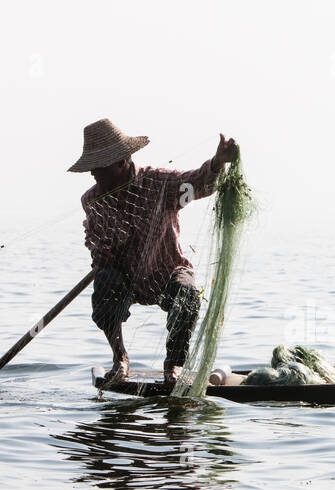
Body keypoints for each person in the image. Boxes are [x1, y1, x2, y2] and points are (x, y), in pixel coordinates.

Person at [69, 118, 238, 385]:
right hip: (127, 279)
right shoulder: (92, 200)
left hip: (167, 270)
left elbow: (197, 185)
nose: (93, 174)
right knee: (104, 288)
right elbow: (95, 240)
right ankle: (120, 359)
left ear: (121, 162)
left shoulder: (158, 183)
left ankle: (173, 366)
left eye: (98, 168)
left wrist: (218, 163)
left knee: (188, 297)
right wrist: (101, 254)